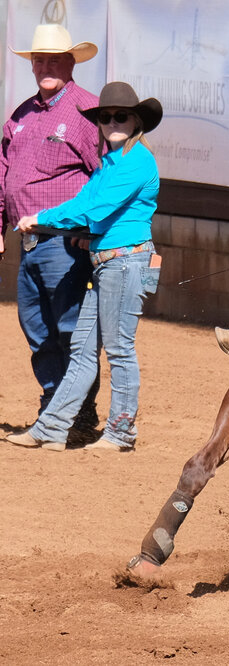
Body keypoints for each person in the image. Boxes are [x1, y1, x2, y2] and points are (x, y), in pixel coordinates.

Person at [6, 82, 162, 452]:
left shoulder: (137, 160)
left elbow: (96, 208)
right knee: (82, 348)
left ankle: (121, 432)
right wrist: (81, 233)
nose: (112, 123)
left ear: (136, 121)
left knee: (119, 349)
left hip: (125, 262)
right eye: (105, 117)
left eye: (121, 116)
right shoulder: (110, 162)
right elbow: (86, 203)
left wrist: (41, 218)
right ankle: (52, 428)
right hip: (110, 263)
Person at [0, 24, 102, 441]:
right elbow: (3, 173)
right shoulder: (21, 115)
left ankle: (78, 414)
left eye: (54, 60)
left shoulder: (88, 112)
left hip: (65, 242)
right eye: (38, 60)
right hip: (27, 242)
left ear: (71, 63)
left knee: (69, 328)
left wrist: (93, 228)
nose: (44, 66)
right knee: (37, 330)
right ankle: (52, 408)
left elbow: (106, 176)